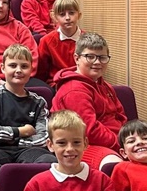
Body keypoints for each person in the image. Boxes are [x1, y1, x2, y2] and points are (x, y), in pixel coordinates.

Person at [0, 44, 56, 183]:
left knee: (49, 161)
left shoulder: (39, 101)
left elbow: (44, 137)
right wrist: (21, 131)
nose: (18, 70)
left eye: (24, 66)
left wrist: (14, 140)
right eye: (12, 65)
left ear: (31, 69)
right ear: (3, 68)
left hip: (29, 150)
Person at [51, 32, 128, 169]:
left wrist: (129, 141)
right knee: (116, 166)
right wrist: (122, 145)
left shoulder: (105, 85)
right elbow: (90, 131)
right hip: (85, 145)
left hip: (117, 143)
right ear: (76, 58)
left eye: (102, 57)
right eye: (90, 57)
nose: (97, 62)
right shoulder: (74, 90)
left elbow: (121, 117)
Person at [36, 0, 85, 88]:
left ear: (79, 15)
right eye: (62, 14)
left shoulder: (88, 40)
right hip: (58, 84)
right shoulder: (46, 41)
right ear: (55, 17)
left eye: (71, 13)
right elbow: (41, 72)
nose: (67, 18)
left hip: (82, 83)